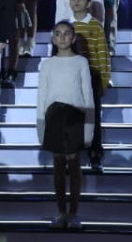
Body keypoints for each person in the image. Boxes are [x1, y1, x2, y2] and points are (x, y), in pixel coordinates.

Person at [37, 20, 95, 230]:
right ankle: (61, 212)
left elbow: (87, 94)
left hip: (75, 114)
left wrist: (89, 127)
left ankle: (74, 213)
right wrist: (40, 125)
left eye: (66, 33)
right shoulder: (48, 64)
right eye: (58, 34)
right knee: (58, 165)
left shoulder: (81, 62)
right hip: (54, 115)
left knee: (74, 164)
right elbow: (42, 95)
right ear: (53, 38)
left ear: (73, 38)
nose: (62, 37)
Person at [68, 0, 110, 172]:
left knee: (93, 117)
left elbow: (102, 54)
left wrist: (103, 79)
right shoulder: (65, 25)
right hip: (70, 78)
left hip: (91, 76)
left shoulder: (95, 26)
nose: (76, 2)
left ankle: (95, 153)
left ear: (88, 3)